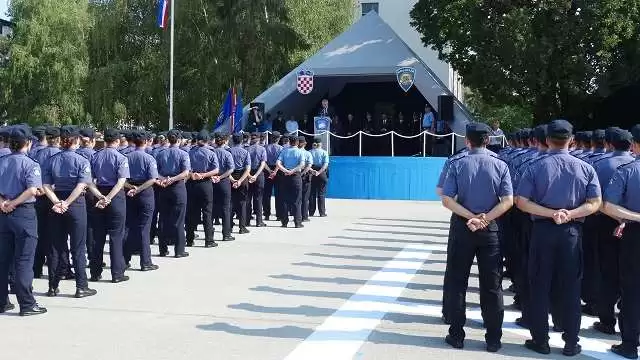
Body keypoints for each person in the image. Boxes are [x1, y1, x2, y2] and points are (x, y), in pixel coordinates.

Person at [517, 119, 601, 356]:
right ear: (571, 141)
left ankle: (540, 340)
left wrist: (551, 213)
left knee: (539, 285)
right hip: (571, 233)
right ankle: (571, 341)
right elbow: (595, 203)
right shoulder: (585, 168)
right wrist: (570, 214)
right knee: (571, 288)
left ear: (546, 140)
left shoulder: (534, 167)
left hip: (543, 231)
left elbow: (521, 202)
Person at [440, 122, 513, 353]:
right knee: (492, 285)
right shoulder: (500, 164)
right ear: (489, 140)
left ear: (466, 140)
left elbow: (446, 199)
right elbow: (508, 201)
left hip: (463, 227)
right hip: (490, 229)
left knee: (457, 282)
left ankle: (457, 334)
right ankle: (493, 339)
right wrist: (485, 219)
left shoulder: (457, 163)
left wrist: (471, 216)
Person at [42, 125, 97, 298]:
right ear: (77, 140)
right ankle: (81, 286)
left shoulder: (52, 160)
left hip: (56, 202)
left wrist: (57, 202)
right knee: (78, 247)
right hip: (76, 203)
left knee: (56, 247)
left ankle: (53, 286)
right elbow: (82, 185)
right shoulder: (82, 160)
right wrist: (67, 202)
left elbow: (45, 186)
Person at [591, 128, 635, 335]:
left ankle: (607, 320)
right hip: (630, 225)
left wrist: (621, 218)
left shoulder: (600, 164)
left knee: (608, 272)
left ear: (608, 144)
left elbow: (598, 201)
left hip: (608, 223)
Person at [601, 124, 640, 359]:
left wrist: (634, 217)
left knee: (632, 289)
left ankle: (629, 344)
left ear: (635, 144)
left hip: (635, 234)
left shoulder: (628, 170)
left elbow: (608, 206)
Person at [0, 125, 47, 316]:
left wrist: (4, 203)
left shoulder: (2, 161)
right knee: (24, 260)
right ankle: (27, 303)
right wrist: (13, 203)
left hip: (3, 215)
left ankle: (2, 301)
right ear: (28, 143)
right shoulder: (30, 164)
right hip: (23, 213)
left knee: (3, 261)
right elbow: (31, 189)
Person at [88, 128, 130, 283]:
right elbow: (121, 182)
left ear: (105, 141)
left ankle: (95, 272)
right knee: (116, 236)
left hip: (98, 194)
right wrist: (109, 198)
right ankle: (117, 273)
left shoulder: (95, 156)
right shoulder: (121, 158)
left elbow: (89, 181)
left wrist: (100, 196)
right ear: (117, 141)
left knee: (97, 237)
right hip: (115, 196)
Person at [123, 131, 160, 270]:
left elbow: (121, 179)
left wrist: (130, 187)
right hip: (145, 193)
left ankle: (124, 260)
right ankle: (145, 262)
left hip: (129, 192)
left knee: (128, 227)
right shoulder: (149, 158)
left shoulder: (125, 157)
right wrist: (138, 189)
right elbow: (152, 179)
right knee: (144, 228)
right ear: (145, 142)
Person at [155, 129, 191, 258]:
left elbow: (155, 173)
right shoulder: (183, 154)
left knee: (163, 219)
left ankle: (162, 249)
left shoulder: (160, 154)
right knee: (179, 220)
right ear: (179, 140)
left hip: (163, 187)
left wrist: (164, 179)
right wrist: (173, 179)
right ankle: (179, 249)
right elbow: (186, 172)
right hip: (178, 187)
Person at [186, 130, 219, 248]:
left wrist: (193, 175)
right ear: (207, 140)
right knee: (207, 212)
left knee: (190, 212)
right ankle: (209, 240)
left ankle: (189, 239)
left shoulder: (190, 152)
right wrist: (204, 175)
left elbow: (186, 169)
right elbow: (216, 170)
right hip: (205, 183)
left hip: (191, 183)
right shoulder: (211, 153)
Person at [276, 135, 305, 228]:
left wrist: (285, 170)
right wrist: (293, 171)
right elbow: (302, 164)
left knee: (284, 199)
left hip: (285, 176)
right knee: (297, 200)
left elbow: (278, 163)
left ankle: (284, 222)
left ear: (289, 141)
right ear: (297, 142)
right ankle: (297, 222)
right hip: (296, 176)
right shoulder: (300, 152)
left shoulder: (284, 151)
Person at [211, 134, 235, 241]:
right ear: (224, 142)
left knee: (211, 207)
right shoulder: (227, 154)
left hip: (211, 180)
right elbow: (230, 169)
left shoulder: (211, 153)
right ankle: (226, 234)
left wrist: (213, 176)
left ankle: (209, 234)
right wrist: (220, 177)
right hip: (224, 181)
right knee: (226, 208)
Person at [228, 133, 251, 234]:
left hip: (230, 176)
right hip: (242, 177)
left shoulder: (228, 151)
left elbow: (225, 168)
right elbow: (248, 169)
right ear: (242, 141)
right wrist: (240, 180)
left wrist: (232, 179)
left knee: (230, 202)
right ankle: (242, 227)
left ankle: (229, 225)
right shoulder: (245, 152)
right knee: (242, 203)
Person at [247, 133, 267, 227]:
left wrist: (250, 175)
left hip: (248, 174)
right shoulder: (262, 149)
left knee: (248, 198)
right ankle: (259, 221)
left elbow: (245, 165)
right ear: (259, 139)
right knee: (259, 198)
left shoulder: (247, 149)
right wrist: (256, 175)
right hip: (259, 175)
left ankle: (246, 220)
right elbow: (263, 164)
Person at [262, 131, 282, 221]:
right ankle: (279, 214)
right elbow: (281, 162)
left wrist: (269, 170)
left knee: (266, 194)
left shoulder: (265, 148)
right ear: (278, 139)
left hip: (267, 170)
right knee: (278, 194)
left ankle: (266, 214)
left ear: (271, 138)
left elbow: (263, 162)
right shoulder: (281, 149)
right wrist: (275, 171)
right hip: (278, 171)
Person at [309, 138, 329, 217]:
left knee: (312, 194)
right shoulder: (324, 152)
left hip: (311, 173)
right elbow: (325, 164)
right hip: (321, 173)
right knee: (321, 194)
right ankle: (322, 212)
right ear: (320, 144)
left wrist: (313, 171)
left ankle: (311, 212)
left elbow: (307, 164)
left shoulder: (309, 152)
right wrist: (319, 172)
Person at [298, 136, 313, 222]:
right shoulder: (308, 153)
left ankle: (296, 215)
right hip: (305, 176)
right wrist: (302, 174)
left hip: (294, 174)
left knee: (296, 197)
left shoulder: (294, 152)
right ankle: (304, 216)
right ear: (305, 143)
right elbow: (308, 166)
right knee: (305, 197)